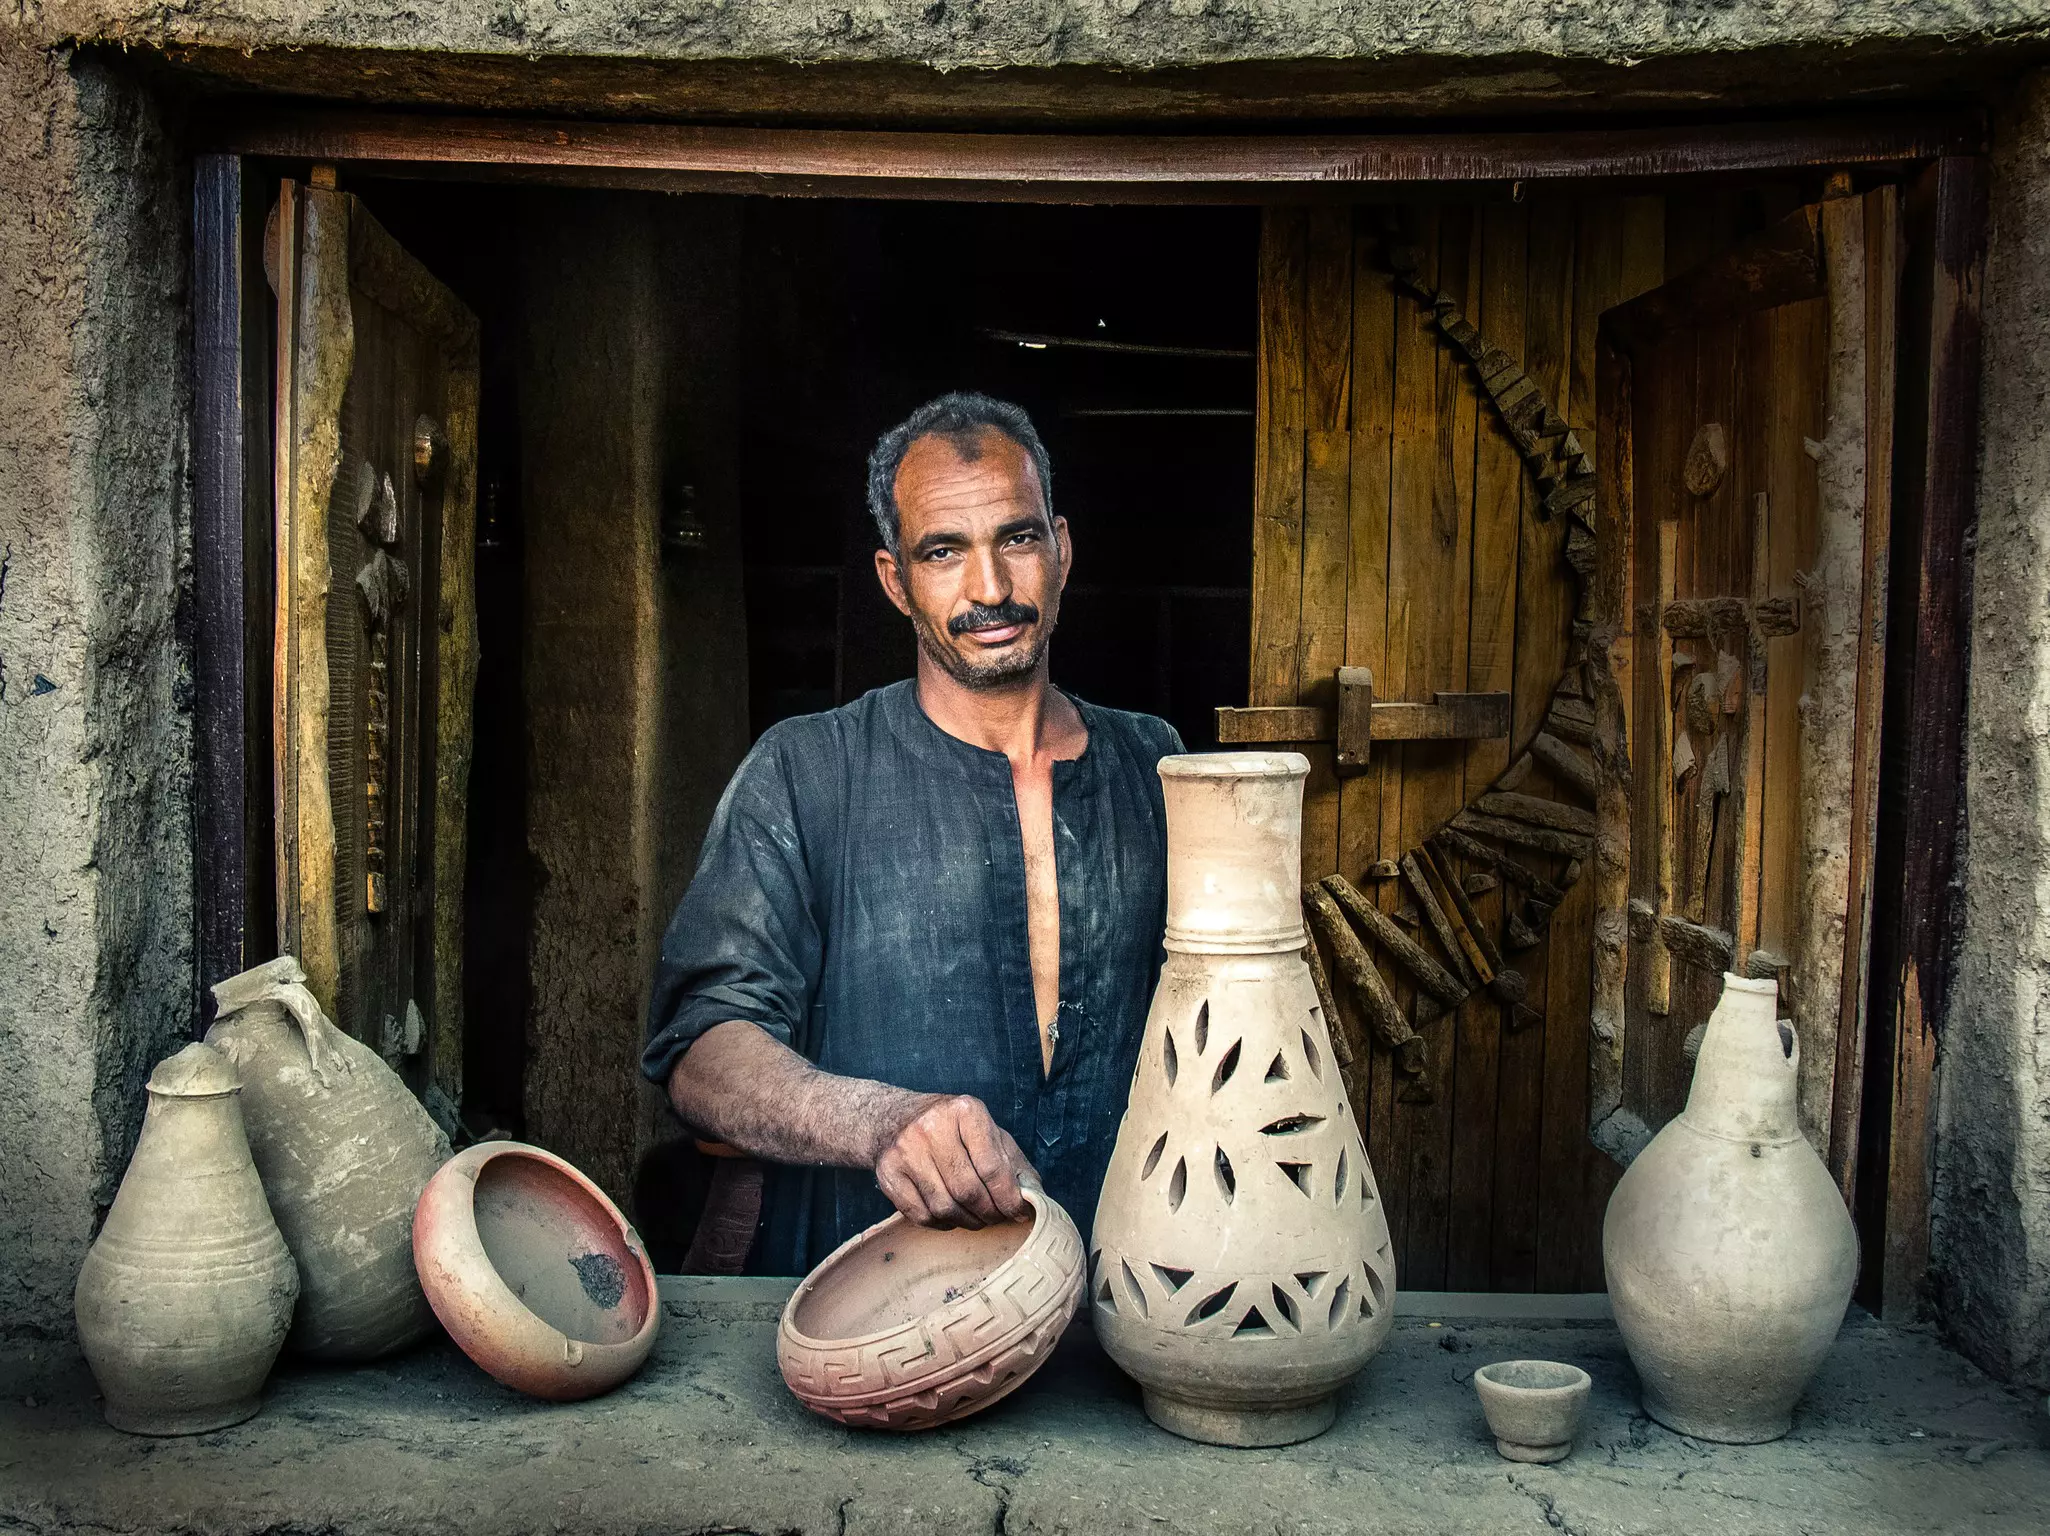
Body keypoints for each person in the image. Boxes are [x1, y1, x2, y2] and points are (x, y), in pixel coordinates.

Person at [642, 391, 1184, 1275]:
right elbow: (702, 1052)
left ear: (1062, 548)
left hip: (1125, 1312)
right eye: (944, 552)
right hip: (878, 1317)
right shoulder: (807, 772)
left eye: (1016, 538)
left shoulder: (1156, 768)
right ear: (896, 581)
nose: (991, 589)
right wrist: (879, 1122)